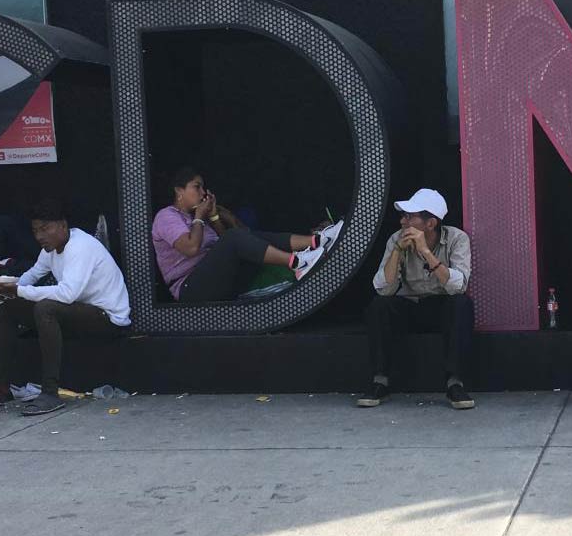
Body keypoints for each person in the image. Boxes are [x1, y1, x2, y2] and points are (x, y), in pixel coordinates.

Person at [0, 199, 131, 416]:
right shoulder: (50, 249)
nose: (40, 236)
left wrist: (18, 291)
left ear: (63, 225)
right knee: (8, 308)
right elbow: (32, 276)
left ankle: (50, 393)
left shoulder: (80, 246)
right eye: (35, 230)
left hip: (107, 318)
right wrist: (2, 288)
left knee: (45, 308)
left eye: (45, 229)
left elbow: (68, 294)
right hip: (78, 313)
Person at [357, 188, 474, 410]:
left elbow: (459, 286)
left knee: (461, 305)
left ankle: (454, 383)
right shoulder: (396, 239)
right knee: (379, 306)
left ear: (430, 223)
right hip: (409, 305)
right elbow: (383, 288)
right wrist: (397, 252)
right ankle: (379, 381)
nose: (402, 221)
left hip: (441, 305)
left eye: (409, 217)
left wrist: (425, 252)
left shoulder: (457, 238)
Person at [151, 166, 339, 302]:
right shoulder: (167, 216)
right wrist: (199, 217)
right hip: (190, 288)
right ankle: (298, 264)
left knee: (246, 237)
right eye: (197, 187)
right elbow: (191, 248)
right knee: (233, 238)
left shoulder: (199, 218)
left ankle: (319, 240)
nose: (203, 192)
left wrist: (215, 215)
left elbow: (242, 241)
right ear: (179, 191)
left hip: (221, 280)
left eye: (203, 187)